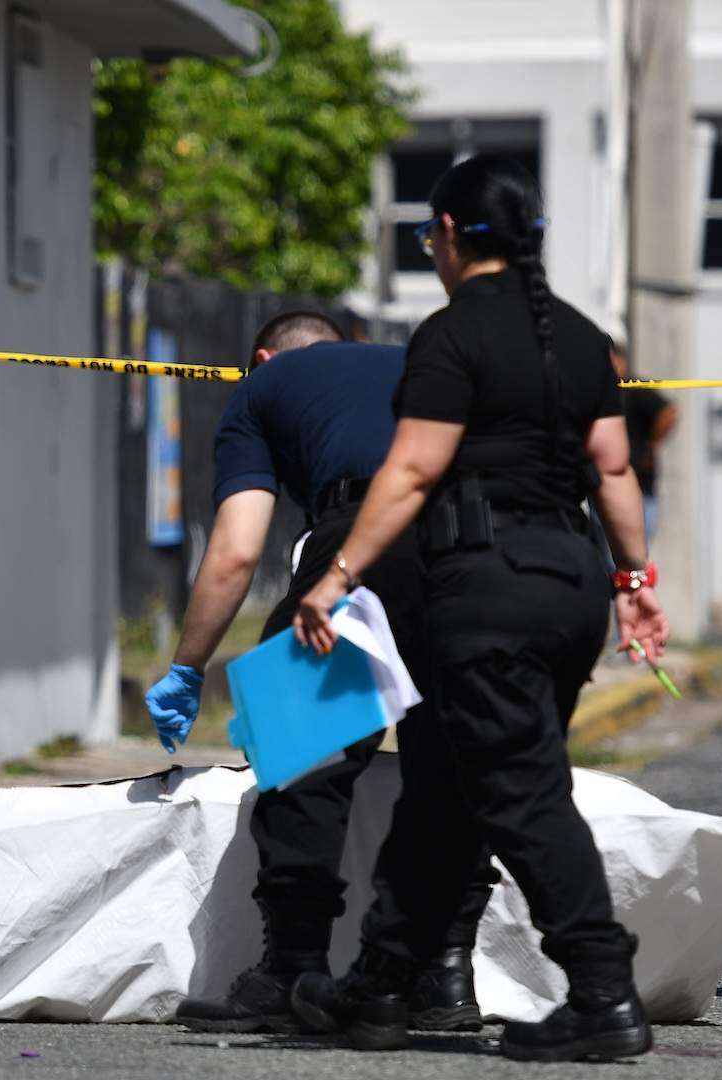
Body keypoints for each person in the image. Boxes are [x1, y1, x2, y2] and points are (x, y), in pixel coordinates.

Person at [289, 155, 669, 1062]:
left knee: (519, 789)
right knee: (451, 794)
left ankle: (603, 992)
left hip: (486, 586)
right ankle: (380, 988)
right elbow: (613, 470)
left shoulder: (451, 336)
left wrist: (336, 574)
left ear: (452, 237)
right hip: (569, 581)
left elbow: (413, 469)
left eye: (430, 238)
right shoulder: (580, 339)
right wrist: (634, 584)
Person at [143, 311, 484, 1035]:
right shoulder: (419, 361)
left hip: (365, 534)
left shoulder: (262, 387)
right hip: (481, 545)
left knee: (302, 746)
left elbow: (237, 550)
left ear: (262, 356)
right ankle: (445, 975)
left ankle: (292, 966)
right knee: (452, 762)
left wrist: (187, 666)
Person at [613, 339, 676, 543]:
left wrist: (651, 444)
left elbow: (669, 413)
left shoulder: (635, 389)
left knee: (636, 556)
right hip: (611, 490)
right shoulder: (602, 392)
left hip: (641, 487)